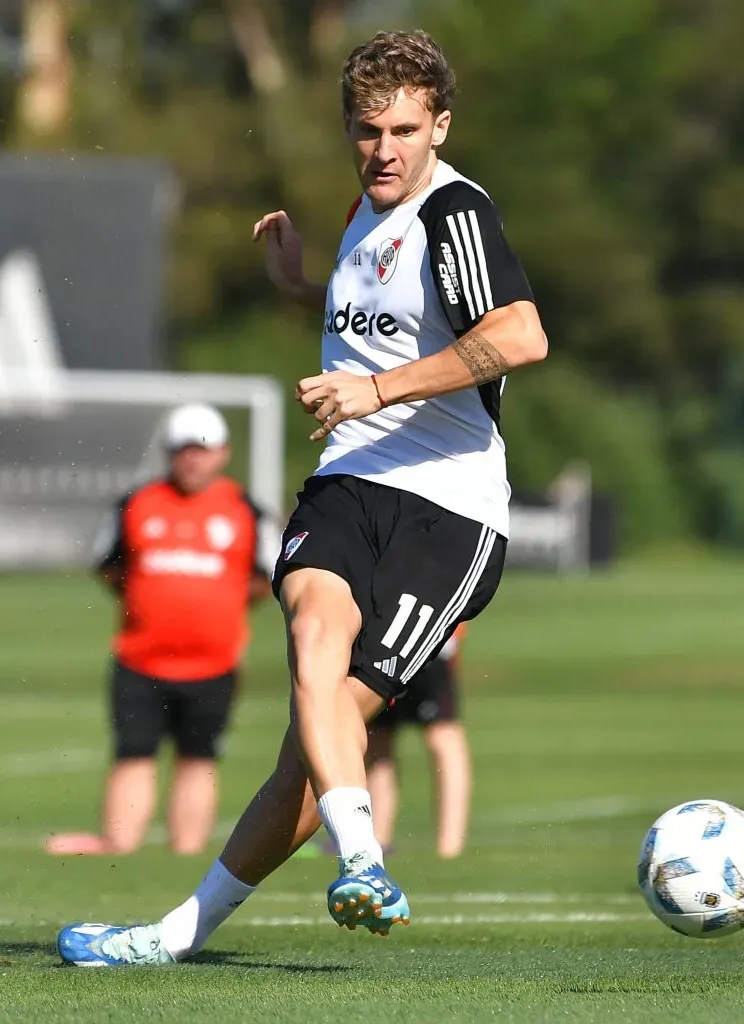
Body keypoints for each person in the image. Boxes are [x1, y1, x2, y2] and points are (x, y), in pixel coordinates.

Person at [56, 28, 546, 966]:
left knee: (312, 751)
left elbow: (519, 336)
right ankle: (360, 862)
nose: (385, 150)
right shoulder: (366, 211)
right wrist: (300, 286)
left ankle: (180, 933)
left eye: (405, 130)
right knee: (312, 639)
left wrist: (377, 390)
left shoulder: (455, 212)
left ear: (441, 127)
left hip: (448, 511)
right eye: (368, 130)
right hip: (347, 481)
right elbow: (383, 320)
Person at [45, 402, 274, 858]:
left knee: (199, 758)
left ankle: (187, 852)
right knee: (133, 753)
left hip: (214, 663)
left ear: (223, 453)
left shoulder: (247, 510)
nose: (192, 459)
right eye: (183, 449)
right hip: (139, 660)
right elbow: (109, 567)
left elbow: (265, 577)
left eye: (202, 449)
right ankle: (119, 844)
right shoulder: (136, 503)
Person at [366, 625, 471, 859]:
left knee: (442, 736)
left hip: (415, 640)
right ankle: (376, 841)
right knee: (378, 737)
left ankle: (449, 846)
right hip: (386, 643)